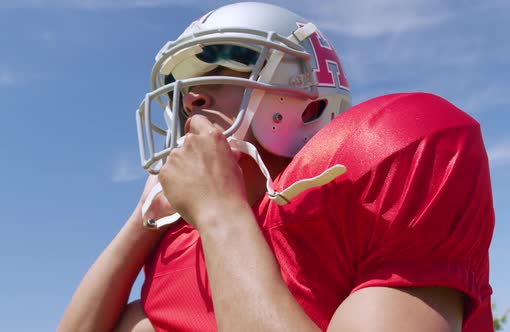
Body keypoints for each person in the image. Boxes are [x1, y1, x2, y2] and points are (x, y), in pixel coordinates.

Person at [58, 2, 495, 331]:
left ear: (304, 96)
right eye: (180, 88)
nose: (189, 98)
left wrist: (219, 215)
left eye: (222, 66)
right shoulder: (178, 241)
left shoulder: (384, 152)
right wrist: (142, 219)